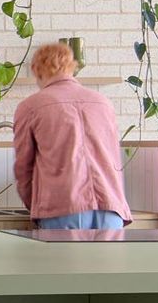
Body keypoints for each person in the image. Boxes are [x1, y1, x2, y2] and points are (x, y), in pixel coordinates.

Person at [10, 42, 132, 232]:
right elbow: (115, 159)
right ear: (71, 66)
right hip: (111, 209)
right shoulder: (103, 103)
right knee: (108, 263)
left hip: (62, 209)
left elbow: (23, 168)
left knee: (62, 263)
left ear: (38, 71)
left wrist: (34, 204)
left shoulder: (31, 107)